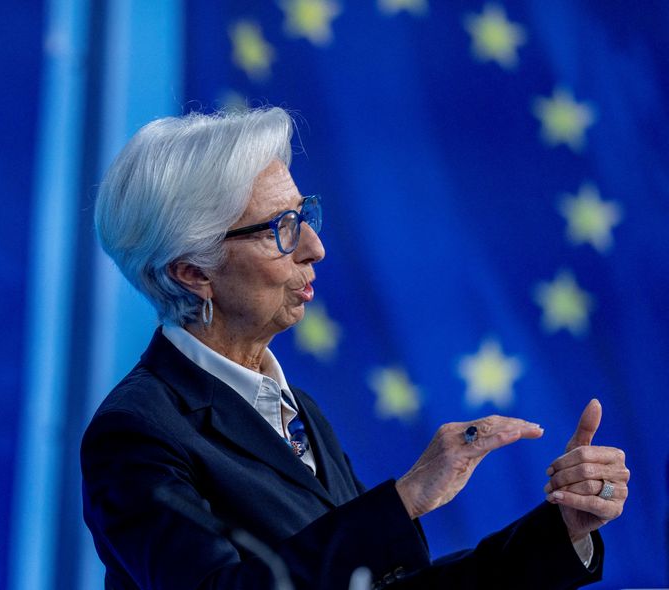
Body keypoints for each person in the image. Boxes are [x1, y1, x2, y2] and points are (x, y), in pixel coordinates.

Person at [81, 107, 629, 589]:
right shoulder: (136, 431)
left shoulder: (296, 410)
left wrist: (562, 532)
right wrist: (405, 499)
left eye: (303, 216)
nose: (314, 247)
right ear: (192, 272)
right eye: (280, 228)